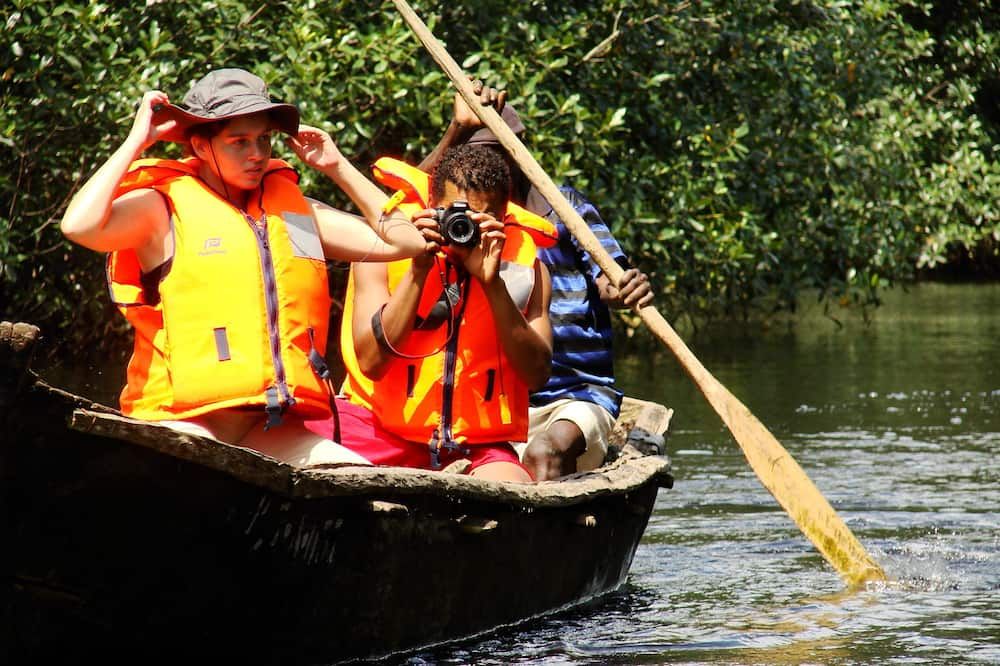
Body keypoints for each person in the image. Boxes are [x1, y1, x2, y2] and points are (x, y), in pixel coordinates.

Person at [59, 67, 428, 467]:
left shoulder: (295, 217)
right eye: (239, 142)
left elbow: (405, 242)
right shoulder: (160, 209)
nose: (257, 154)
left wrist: (336, 166)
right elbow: (79, 226)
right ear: (201, 146)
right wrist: (137, 141)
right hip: (181, 420)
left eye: (264, 139)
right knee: (194, 468)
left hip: (267, 427)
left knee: (356, 477)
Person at [420, 86, 654, 481]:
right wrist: (455, 129)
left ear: (518, 152)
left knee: (544, 451)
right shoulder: (457, 220)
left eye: (499, 152)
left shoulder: (563, 208)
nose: (489, 166)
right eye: (476, 155)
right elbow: (404, 199)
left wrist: (625, 286)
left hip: (575, 392)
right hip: (490, 399)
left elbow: (609, 278)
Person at [306, 143, 557, 482]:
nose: (465, 231)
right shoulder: (382, 251)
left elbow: (537, 375)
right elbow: (371, 362)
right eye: (457, 216)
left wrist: (492, 283)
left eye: (484, 220)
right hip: (376, 428)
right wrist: (418, 270)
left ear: (504, 219)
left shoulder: (528, 271)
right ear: (432, 208)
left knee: (516, 492)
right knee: (307, 461)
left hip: (477, 446)